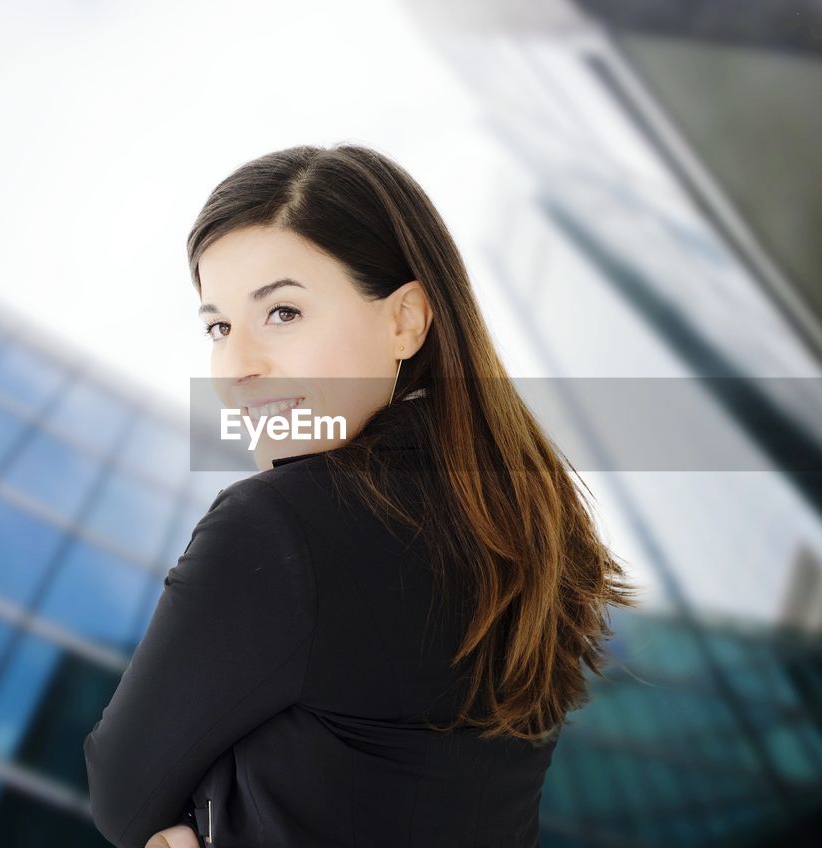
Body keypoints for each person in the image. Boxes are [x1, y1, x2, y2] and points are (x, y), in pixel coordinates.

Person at [83, 144, 638, 848]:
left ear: (405, 319)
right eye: (219, 326)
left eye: (282, 312)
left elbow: (121, 798)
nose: (238, 366)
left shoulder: (282, 530)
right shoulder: (523, 522)